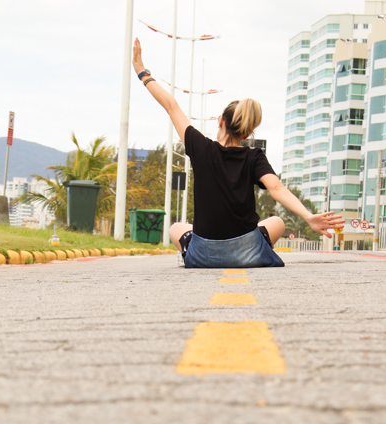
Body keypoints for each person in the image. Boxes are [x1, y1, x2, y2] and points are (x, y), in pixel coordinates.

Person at [132, 38, 344, 268]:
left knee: (176, 228)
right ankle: (251, 249)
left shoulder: (199, 146)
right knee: (277, 222)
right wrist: (308, 217)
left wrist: (142, 73)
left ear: (221, 121)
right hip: (248, 253)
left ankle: (197, 248)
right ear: (247, 133)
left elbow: (171, 105)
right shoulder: (254, 157)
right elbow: (276, 189)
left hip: (204, 254)